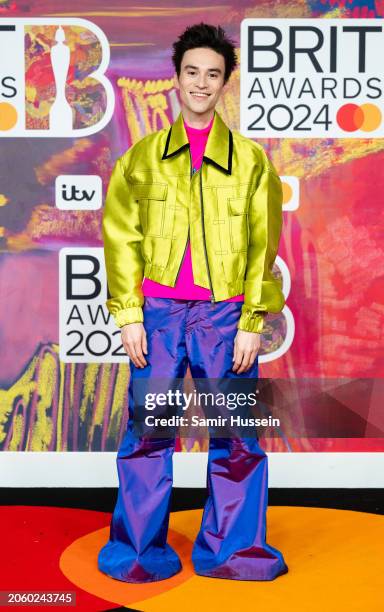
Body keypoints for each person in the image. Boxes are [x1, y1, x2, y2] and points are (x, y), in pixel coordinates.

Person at [98, 23, 288, 583]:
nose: (201, 83)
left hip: (226, 316)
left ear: (225, 82)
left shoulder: (253, 162)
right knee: (147, 437)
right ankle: (137, 553)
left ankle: (233, 551)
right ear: (176, 79)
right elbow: (121, 238)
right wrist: (129, 314)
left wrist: (254, 321)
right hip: (156, 317)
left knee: (235, 439)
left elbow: (263, 246)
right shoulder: (142, 159)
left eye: (213, 74)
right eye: (191, 72)